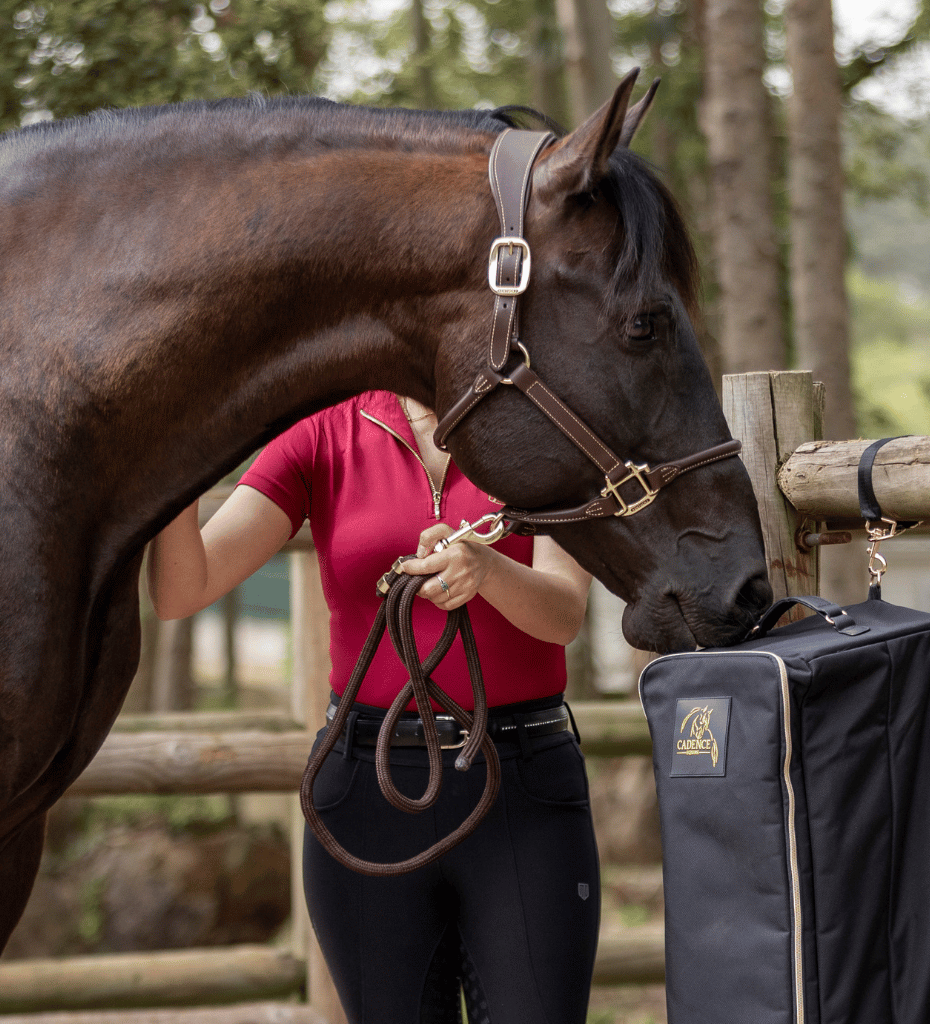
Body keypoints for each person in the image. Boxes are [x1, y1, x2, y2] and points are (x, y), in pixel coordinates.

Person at [148, 390, 599, 1024]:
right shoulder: (321, 433)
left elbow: (562, 614)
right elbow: (181, 589)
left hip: (520, 788)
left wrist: (486, 570)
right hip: (365, 791)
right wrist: (176, 473)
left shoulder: (545, 422)